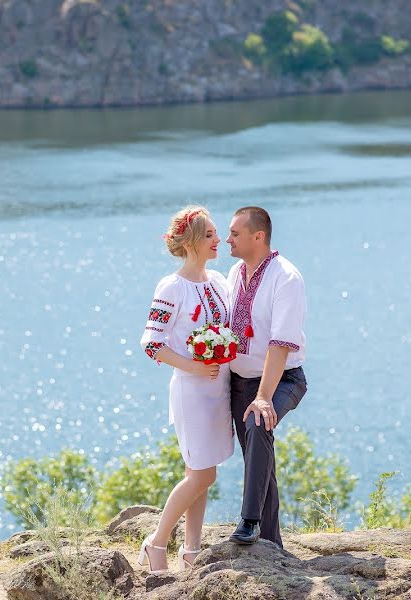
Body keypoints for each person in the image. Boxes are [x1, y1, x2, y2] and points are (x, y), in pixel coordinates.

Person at [137, 206, 234, 573]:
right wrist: (194, 365)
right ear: (192, 241)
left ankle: (191, 550)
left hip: (218, 390)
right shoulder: (171, 286)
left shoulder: (219, 281)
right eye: (210, 234)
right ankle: (156, 542)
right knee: (202, 474)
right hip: (191, 393)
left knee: (204, 469)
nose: (218, 239)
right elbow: (151, 343)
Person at [225, 206, 308, 548]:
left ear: (257, 237)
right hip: (240, 383)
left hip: (282, 380)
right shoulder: (234, 272)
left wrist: (263, 396)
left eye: (234, 234)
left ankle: (249, 521)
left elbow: (280, 343)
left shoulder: (285, 277)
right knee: (259, 462)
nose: (227, 239)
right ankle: (273, 544)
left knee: (260, 424)